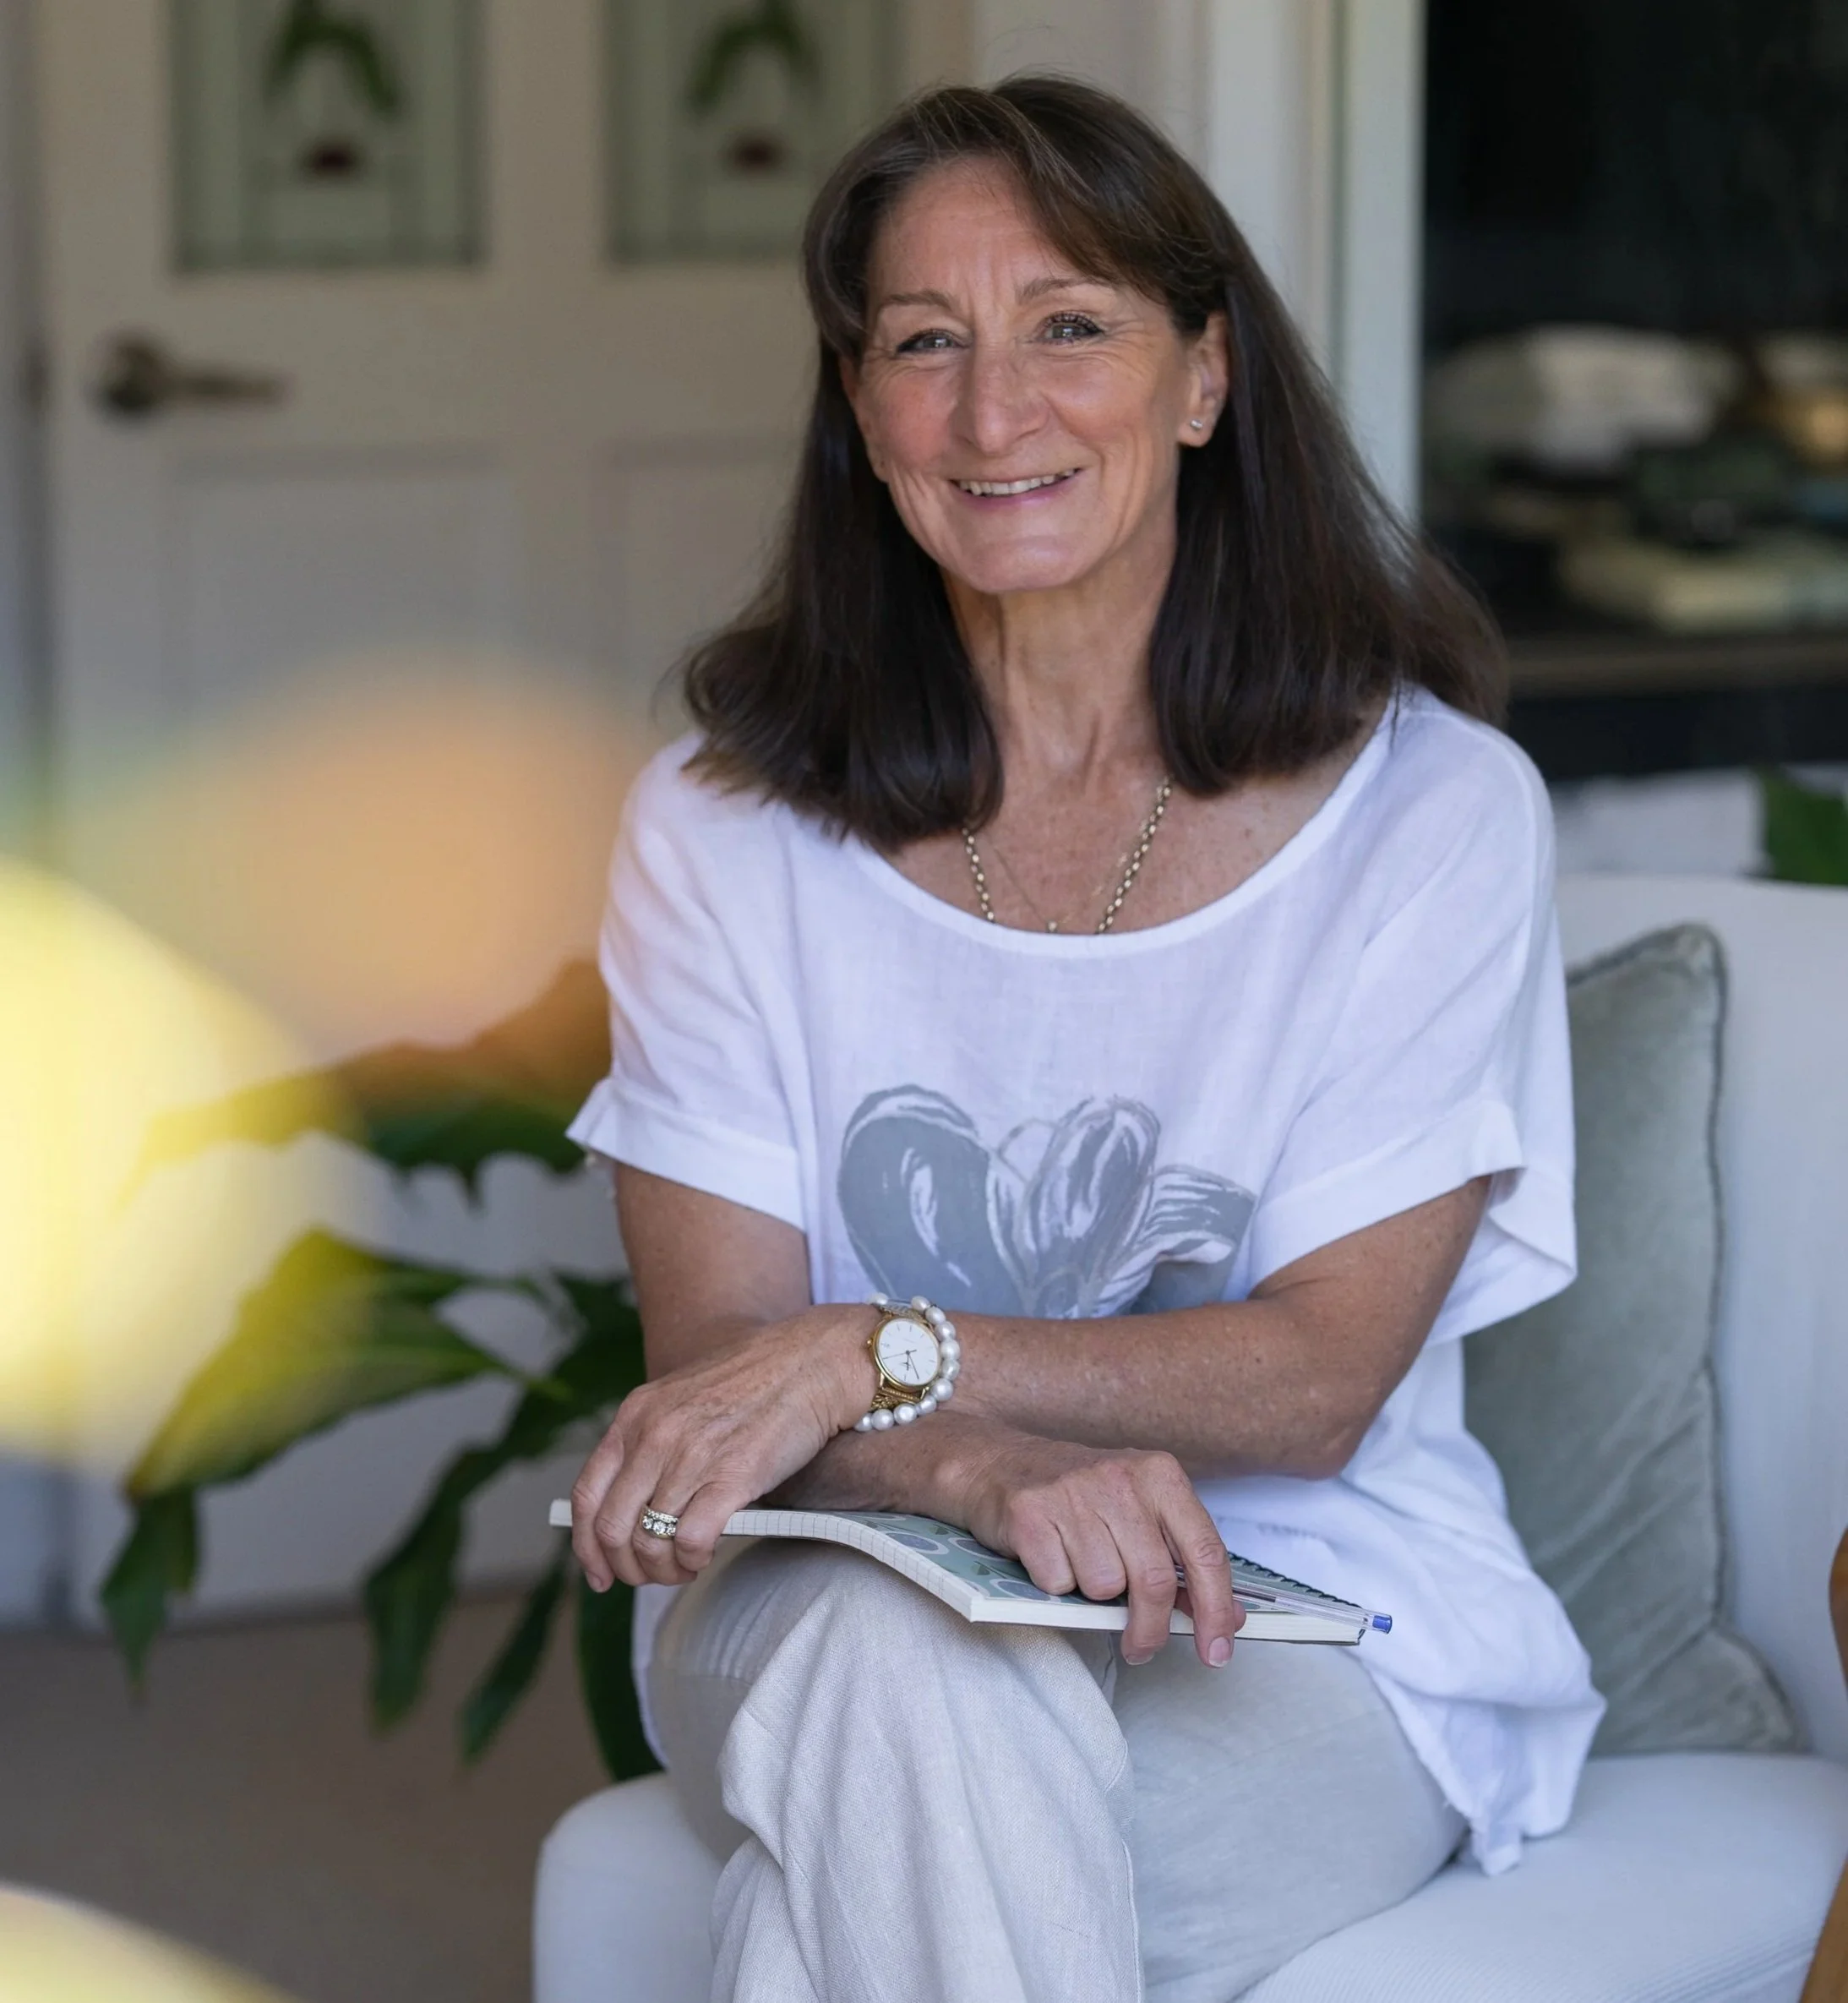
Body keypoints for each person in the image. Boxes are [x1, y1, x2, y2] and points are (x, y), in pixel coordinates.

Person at [567, 77, 1602, 2003]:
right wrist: (960, 1464)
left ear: (1201, 378)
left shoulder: (1432, 813)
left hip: (1293, 1613)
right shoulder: (719, 830)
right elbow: (719, 1367)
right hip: (822, 1576)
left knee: (841, 1896)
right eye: (923, 345)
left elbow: (1310, 1385)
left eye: (1070, 327)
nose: (991, 412)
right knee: (896, 1675)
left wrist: (876, 1349)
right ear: (860, 412)